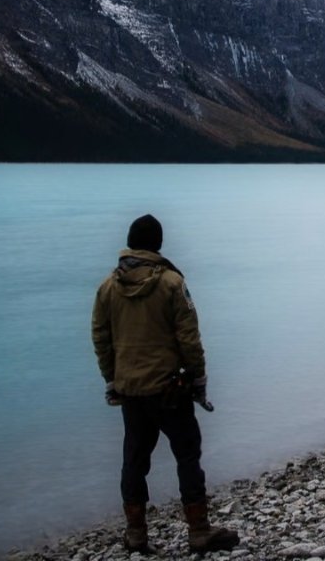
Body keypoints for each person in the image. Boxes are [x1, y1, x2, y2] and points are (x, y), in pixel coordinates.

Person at [91, 214, 238, 553]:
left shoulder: (108, 287)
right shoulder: (171, 283)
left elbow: (101, 337)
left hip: (130, 389)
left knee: (134, 459)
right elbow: (189, 338)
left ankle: (136, 534)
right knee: (187, 454)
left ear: (130, 243)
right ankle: (199, 530)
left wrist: (111, 379)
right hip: (170, 389)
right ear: (158, 245)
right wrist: (199, 379)